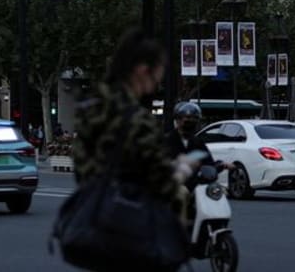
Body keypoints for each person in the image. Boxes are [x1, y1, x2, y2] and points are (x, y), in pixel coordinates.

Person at [73, 29, 195, 219]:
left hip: (90, 220)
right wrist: (182, 169)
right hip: (129, 227)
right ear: (142, 70)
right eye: (159, 71)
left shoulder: (89, 110)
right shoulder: (138, 120)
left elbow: (83, 171)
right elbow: (163, 185)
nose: (159, 81)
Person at [165, 102, 226, 191]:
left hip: (195, 187)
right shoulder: (166, 141)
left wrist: (220, 165)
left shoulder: (198, 142)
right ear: (177, 120)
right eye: (186, 119)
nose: (189, 123)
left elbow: (208, 162)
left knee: (219, 193)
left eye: (194, 120)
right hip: (172, 187)